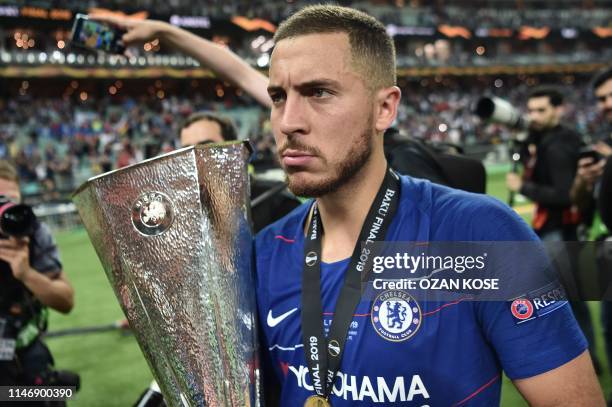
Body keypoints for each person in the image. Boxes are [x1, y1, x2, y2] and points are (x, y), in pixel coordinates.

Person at [253, 5, 603, 406]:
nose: (287, 121)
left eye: (319, 92)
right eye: (278, 97)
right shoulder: (264, 253)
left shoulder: (481, 234)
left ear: (384, 108)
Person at [0, 160, 75, 393]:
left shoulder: (33, 233)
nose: (5, 209)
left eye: (10, 201)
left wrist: (26, 273)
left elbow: (66, 301)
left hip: (26, 345)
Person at [571, 67, 612, 383]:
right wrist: (585, 182)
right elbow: (580, 204)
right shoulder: (604, 146)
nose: (607, 104)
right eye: (601, 99)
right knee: (610, 330)